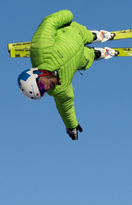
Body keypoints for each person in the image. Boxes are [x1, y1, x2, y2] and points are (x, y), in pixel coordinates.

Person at [17, 9, 116, 140]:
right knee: (86, 59)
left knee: (84, 35)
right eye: (43, 92)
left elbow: (49, 22)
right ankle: (95, 53)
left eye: (41, 85)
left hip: (74, 34)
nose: (46, 88)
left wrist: (68, 15)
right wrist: (71, 126)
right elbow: (66, 107)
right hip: (79, 59)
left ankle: (94, 36)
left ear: (37, 73)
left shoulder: (40, 49)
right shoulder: (59, 89)